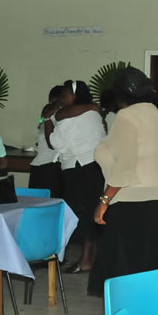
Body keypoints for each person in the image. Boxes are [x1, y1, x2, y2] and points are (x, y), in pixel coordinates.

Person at [88, 67, 158, 295]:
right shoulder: (156, 113)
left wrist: (104, 200)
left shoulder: (126, 116)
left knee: (124, 266)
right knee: (150, 264)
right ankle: (149, 311)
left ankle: (125, 313)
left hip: (132, 198)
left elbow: (125, 165)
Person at [44, 80, 106, 274]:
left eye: (65, 94)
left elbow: (55, 143)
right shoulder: (93, 113)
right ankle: (90, 259)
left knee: (83, 214)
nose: (62, 98)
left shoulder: (68, 116)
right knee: (92, 213)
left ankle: (85, 261)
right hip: (95, 166)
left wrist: (47, 121)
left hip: (78, 168)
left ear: (74, 95)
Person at [28, 85, 64, 198]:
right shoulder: (58, 113)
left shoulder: (47, 110)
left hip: (38, 166)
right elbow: (53, 143)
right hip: (49, 167)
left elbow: (40, 121)